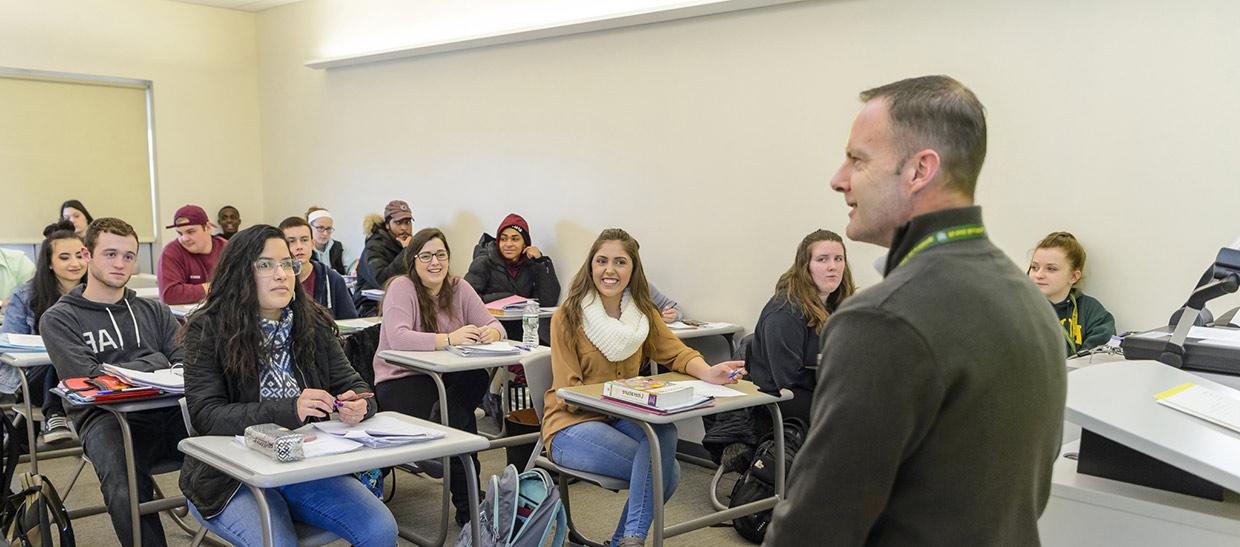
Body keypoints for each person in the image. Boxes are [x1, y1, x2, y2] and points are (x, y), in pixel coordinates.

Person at [765, 76, 1066, 546]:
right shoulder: (1028, 300)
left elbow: (816, 528)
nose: (838, 178)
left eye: (857, 159)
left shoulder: (881, 319)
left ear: (919, 170)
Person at [179, 225, 396, 546]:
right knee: (279, 543)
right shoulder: (208, 328)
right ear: (240, 271)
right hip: (230, 478)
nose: (281, 274)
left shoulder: (314, 322)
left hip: (305, 467)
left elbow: (357, 386)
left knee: (380, 529)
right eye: (265, 265)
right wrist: (290, 410)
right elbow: (207, 416)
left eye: (287, 264)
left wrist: (361, 405)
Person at [544, 228, 745, 547]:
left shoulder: (643, 314)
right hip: (572, 425)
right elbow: (570, 394)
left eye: (620, 262)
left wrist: (709, 372)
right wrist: (628, 399)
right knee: (668, 473)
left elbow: (675, 352)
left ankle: (627, 540)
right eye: (602, 261)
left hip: (619, 419)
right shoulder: (568, 316)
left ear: (633, 269)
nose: (610, 270)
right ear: (591, 266)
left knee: (664, 433)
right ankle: (629, 541)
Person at [41, 217, 189, 547]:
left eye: (128, 256)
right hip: (105, 418)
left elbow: (184, 361)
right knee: (123, 476)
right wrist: (157, 363)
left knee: (232, 440)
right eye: (110, 254)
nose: (121, 264)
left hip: (168, 408)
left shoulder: (154, 311)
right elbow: (91, 381)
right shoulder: (58, 318)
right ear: (86, 254)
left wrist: (128, 370)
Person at [371, 227, 503, 526]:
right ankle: (469, 504)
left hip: (446, 381)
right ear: (413, 260)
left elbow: (494, 323)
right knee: (462, 421)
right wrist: (449, 338)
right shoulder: (402, 288)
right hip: (402, 379)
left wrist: (489, 332)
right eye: (426, 256)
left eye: (441, 255)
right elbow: (398, 337)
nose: (435, 262)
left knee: (468, 385)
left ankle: (441, 438)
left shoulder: (459, 287)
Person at [747, 229, 855, 425]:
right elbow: (789, 378)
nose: (833, 266)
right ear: (806, 266)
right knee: (859, 415)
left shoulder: (839, 303)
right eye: (822, 259)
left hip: (823, 387)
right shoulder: (784, 311)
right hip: (783, 398)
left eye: (839, 259)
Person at [1, 220, 86, 444]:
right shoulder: (26, 294)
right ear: (49, 262)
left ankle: (56, 416)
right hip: (37, 378)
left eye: (80, 255)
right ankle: (54, 413)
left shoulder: (99, 292)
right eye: (65, 257)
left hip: (89, 374)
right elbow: (9, 344)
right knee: (59, 350)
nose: (75, 263)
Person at [465, 213, 561, 339]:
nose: (508, 244)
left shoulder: (531, 264)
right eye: (503, 239)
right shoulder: (484, 262)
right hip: (490, 332)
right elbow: (467, 299)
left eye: (515, 239)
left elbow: (548, 301)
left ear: (525, 244)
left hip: (524, 332)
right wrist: (508, 298)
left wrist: (540, 262)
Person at [1028, 231, 1116, 355]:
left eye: (1051, 269)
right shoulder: (1017, 310)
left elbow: (1100, 358)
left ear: (1074, 277)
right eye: (1034, 267)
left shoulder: (1091, 311)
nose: (1039, 275)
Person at [279, 216, 358, 319]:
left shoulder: (332, 279)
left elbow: (351, 322)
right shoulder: (275, 279)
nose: (299, 246)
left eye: (304, 240)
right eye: (291, 241)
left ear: (312, 244)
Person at [354, 200, 415, 315]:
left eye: (407, 222)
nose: (404, 228)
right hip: (370, 306)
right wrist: (406, 252)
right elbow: (383, 280)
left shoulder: (410, 244)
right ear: (387, 225)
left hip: (400, 302)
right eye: (398, 223)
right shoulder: (374, 246)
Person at [157, 204, 226, 305]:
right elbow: (169, 294)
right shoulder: (171, 252)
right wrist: (215, 287)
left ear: (207, 227)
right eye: (180, 234)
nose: (184, 239)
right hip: (186, 318)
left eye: (190, 232)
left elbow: (243, 285)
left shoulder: (227, 249)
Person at [305, 206, 350, 276]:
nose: (325, 233)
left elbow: (352, 269)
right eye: (320, 228)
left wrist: (355, 270)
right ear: (309, 228)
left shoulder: (341, 248)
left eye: (328, 229)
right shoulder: (303, 251)